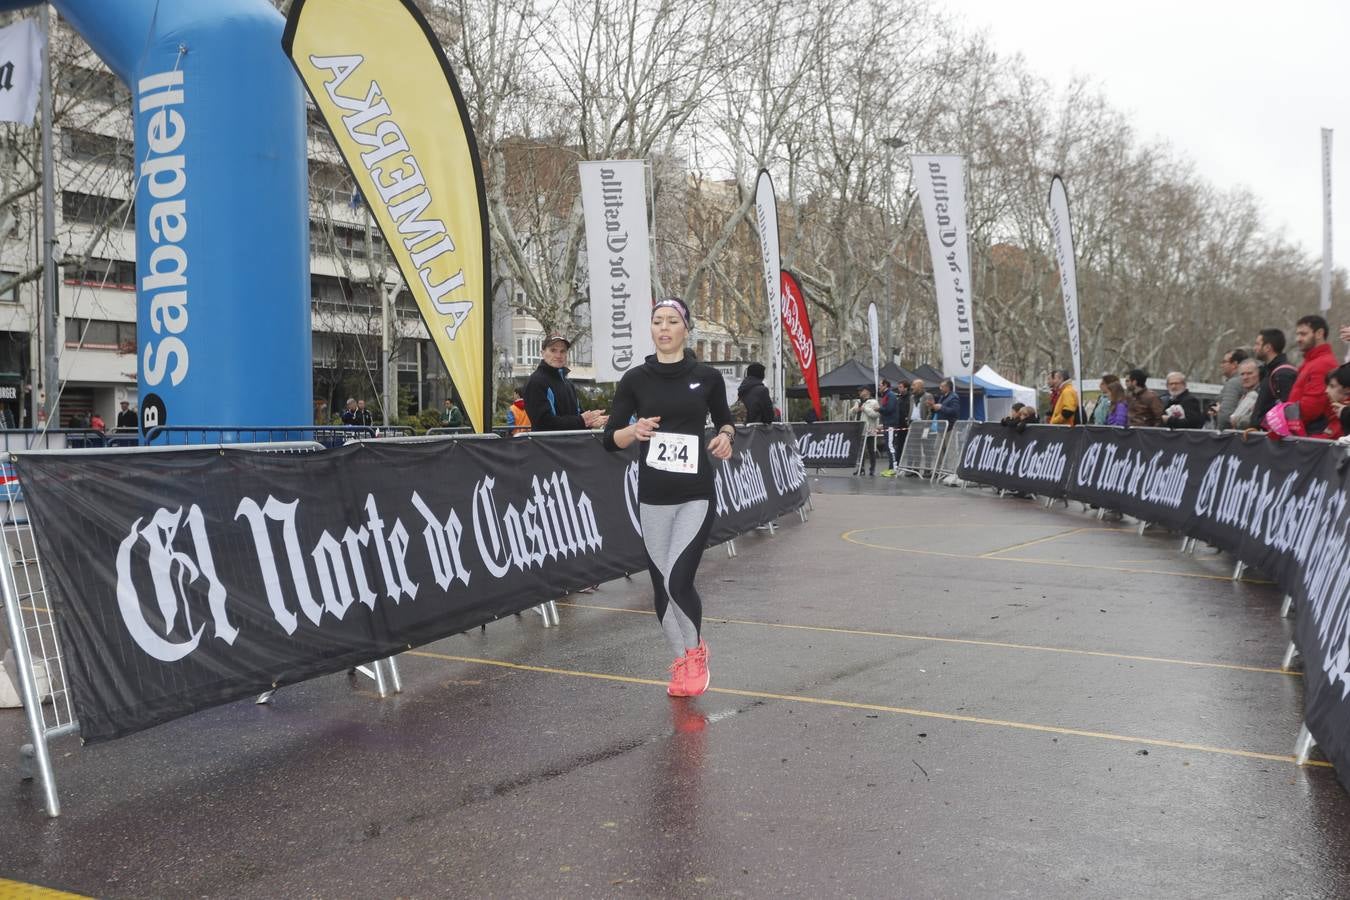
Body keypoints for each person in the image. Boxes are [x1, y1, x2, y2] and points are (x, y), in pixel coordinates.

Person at [601, 297, 733, 698]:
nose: (663, 327)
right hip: (653, 495)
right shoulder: (635, 379)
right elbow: (610, 439)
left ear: (685, 328)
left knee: (678, 579)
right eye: (657, 320)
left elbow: (725, 418)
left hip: (696, 492)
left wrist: (726, 436)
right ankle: (680, 661)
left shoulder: (707, 376)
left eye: (672, 321)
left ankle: (696, 654)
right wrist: (633, 431)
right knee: (661, 585)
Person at [524, 334, 608, 432]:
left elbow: (577, 416)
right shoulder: (536, 381)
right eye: (553, 350)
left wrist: (591, 422)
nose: (558, 355)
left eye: (562, 351)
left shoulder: (567, 382)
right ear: (542, 353)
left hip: (571, 444)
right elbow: (543, 422)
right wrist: (582, 420)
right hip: (547, 446)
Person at [1286, 314, 1339, 435]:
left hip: (1311, 434)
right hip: (1303, 431)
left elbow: (1312, 407)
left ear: (1319, 333)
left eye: (1303, 334)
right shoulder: (1311, 361)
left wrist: (1284, 417)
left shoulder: (1323, 363)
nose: (1298, 339)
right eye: (1297, 334)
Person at [1252, 328, 1297, 429]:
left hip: (1273, 439)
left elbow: (1288, 410)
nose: (1254, 348)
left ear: (1268, 347)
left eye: (1257, 344)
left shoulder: (1283, 374)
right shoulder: (1268, 371)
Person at [1210, 348, 1249, 430]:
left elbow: (1225, 415)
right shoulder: (1247, 382)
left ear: (1235, 364)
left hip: (1229, 437)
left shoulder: (1233, 383)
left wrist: (1220, 433)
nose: (1221, 365)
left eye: (1224, 362)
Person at [877, 379, 908, 476]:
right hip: (887, 423)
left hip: (891, 424)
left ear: (885, 385)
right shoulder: (886, 395)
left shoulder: (890, 395)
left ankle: (894, 468)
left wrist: (879, 409)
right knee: (888, 445)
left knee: (890, 446)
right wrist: (882, 423)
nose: (879, 387)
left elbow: (889, 409)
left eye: (880, 385)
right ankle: (891, 467)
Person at [1311, 364, 1350, 440]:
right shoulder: (1336, 410)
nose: (1326, 391)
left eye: (1332, 386)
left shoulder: (1344, 415)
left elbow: (1328, 441)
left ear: (1347, 390)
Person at [849, 385, 881, 476]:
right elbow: (850, 413)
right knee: (860, 450)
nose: (859, 393)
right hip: (859, 429)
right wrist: (855, 410)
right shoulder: (858, 402)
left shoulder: (874, 402)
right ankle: (861, 468)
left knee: (871, 450)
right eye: (859, 391)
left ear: (867, 391)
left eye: (861, 391)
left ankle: (872, 469)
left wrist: (865, 409)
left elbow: (876, 415)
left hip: (869, 429)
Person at [1228, 359, 1263, 429]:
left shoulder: (1257, 395)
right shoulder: (1244, 394)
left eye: (1249, 373)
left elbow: (1234, 420)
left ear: (1260, 374)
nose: (1245, 377)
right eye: (1242, 374)